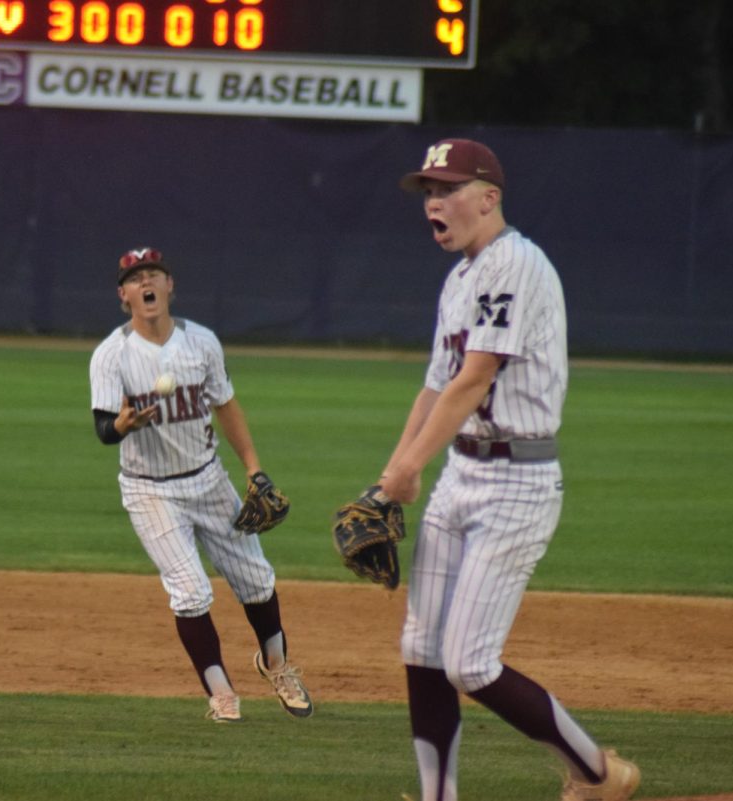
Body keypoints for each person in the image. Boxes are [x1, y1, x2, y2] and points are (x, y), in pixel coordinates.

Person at [378, 139, 640, 801]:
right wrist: (389, 475)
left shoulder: (517, 264)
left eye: (448, 188)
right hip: (461, 476)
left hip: (517, 483)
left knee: (468, 660)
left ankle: (599, 772)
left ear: (489, 197)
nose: (433, 202)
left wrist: (411, 464)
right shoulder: (461, 278)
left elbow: (476, 378)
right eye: (428, 192)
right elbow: (436, 387)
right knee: (422, 647)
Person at [88, 246, 313, 723]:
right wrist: (124, 425)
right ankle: (221, 694)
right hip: (150, 490)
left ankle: (277, 666)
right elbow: (104, 429)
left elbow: (228, 406)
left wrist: (254, 469)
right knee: (190, 592)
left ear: (170, 286)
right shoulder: (111, 355)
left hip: (209, 481)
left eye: (155, 274)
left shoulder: (202, 342)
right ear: (123, 295)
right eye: (136, 277)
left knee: (256, 580)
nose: (146, 282)